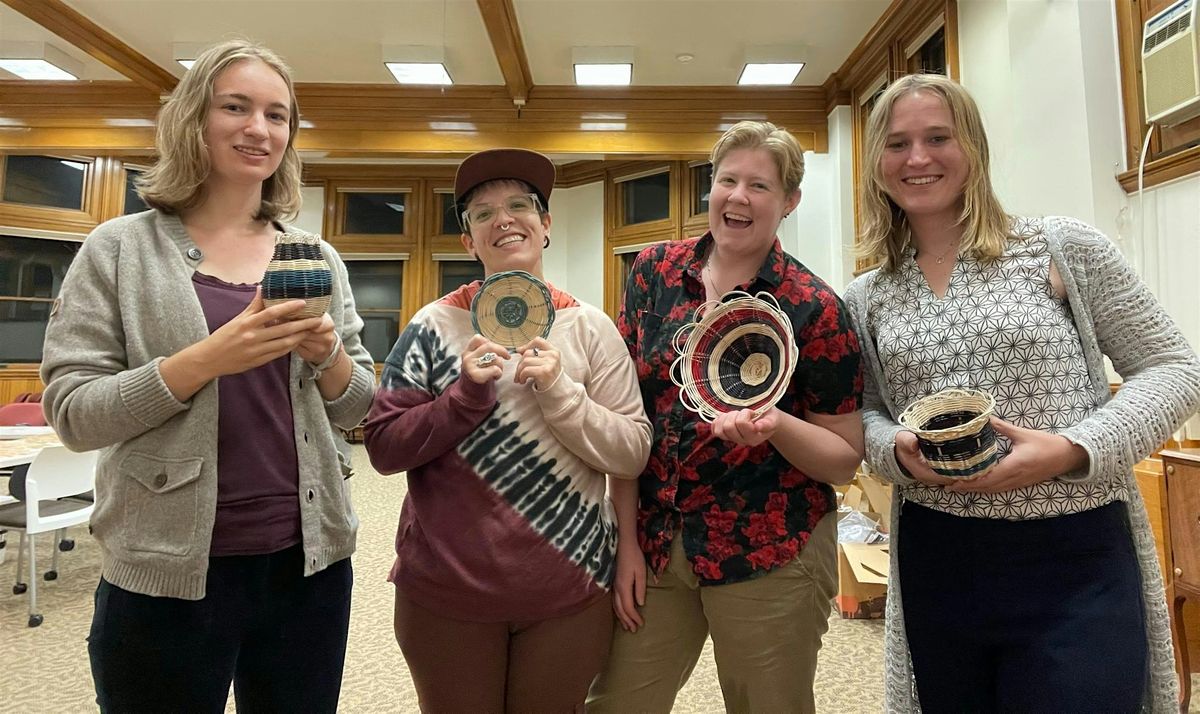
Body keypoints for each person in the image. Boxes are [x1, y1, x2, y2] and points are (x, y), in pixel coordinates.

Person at [843, 73, 1200, 713]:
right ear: (877, 164)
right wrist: (892, 449)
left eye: (937, 137)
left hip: (1075, 555)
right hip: (940, 559)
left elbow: (1174, 367)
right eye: (897, 144)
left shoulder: (1060, 248)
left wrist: (1071, 448)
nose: (917, 158)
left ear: (972, 147)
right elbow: (863, 413)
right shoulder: (867, 296)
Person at [40, 40, 375, 712]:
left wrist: (328, 356)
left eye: (277, 115)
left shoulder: (314, 254)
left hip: (309, 565)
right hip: (166, 572)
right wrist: (208, 359)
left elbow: (359, 405)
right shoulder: (120, 247)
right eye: (237, 107)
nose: (260, 128)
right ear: (194, 118)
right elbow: (74, 413)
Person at [588, 120, 865, 714]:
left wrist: (777, 426)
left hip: (773, 546)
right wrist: (626, 543)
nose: (738, 197)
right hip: (659, 540)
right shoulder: (653, 274)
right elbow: (626, 416)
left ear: (789, 201)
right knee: (616, 703)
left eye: (759, 186)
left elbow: (844, 458)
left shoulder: (815, 308)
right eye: (727, 180)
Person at [363, 147, 652, 713]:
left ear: (545, 225)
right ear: (469, 241)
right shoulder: (431, 325)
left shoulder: (591, 328)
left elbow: (633, 451)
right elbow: (382, 447)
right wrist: (463, 398)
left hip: (568, 590)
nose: (504, 219)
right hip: (446, 593)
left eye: (520, 205)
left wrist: (563, 394)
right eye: (483, 213)